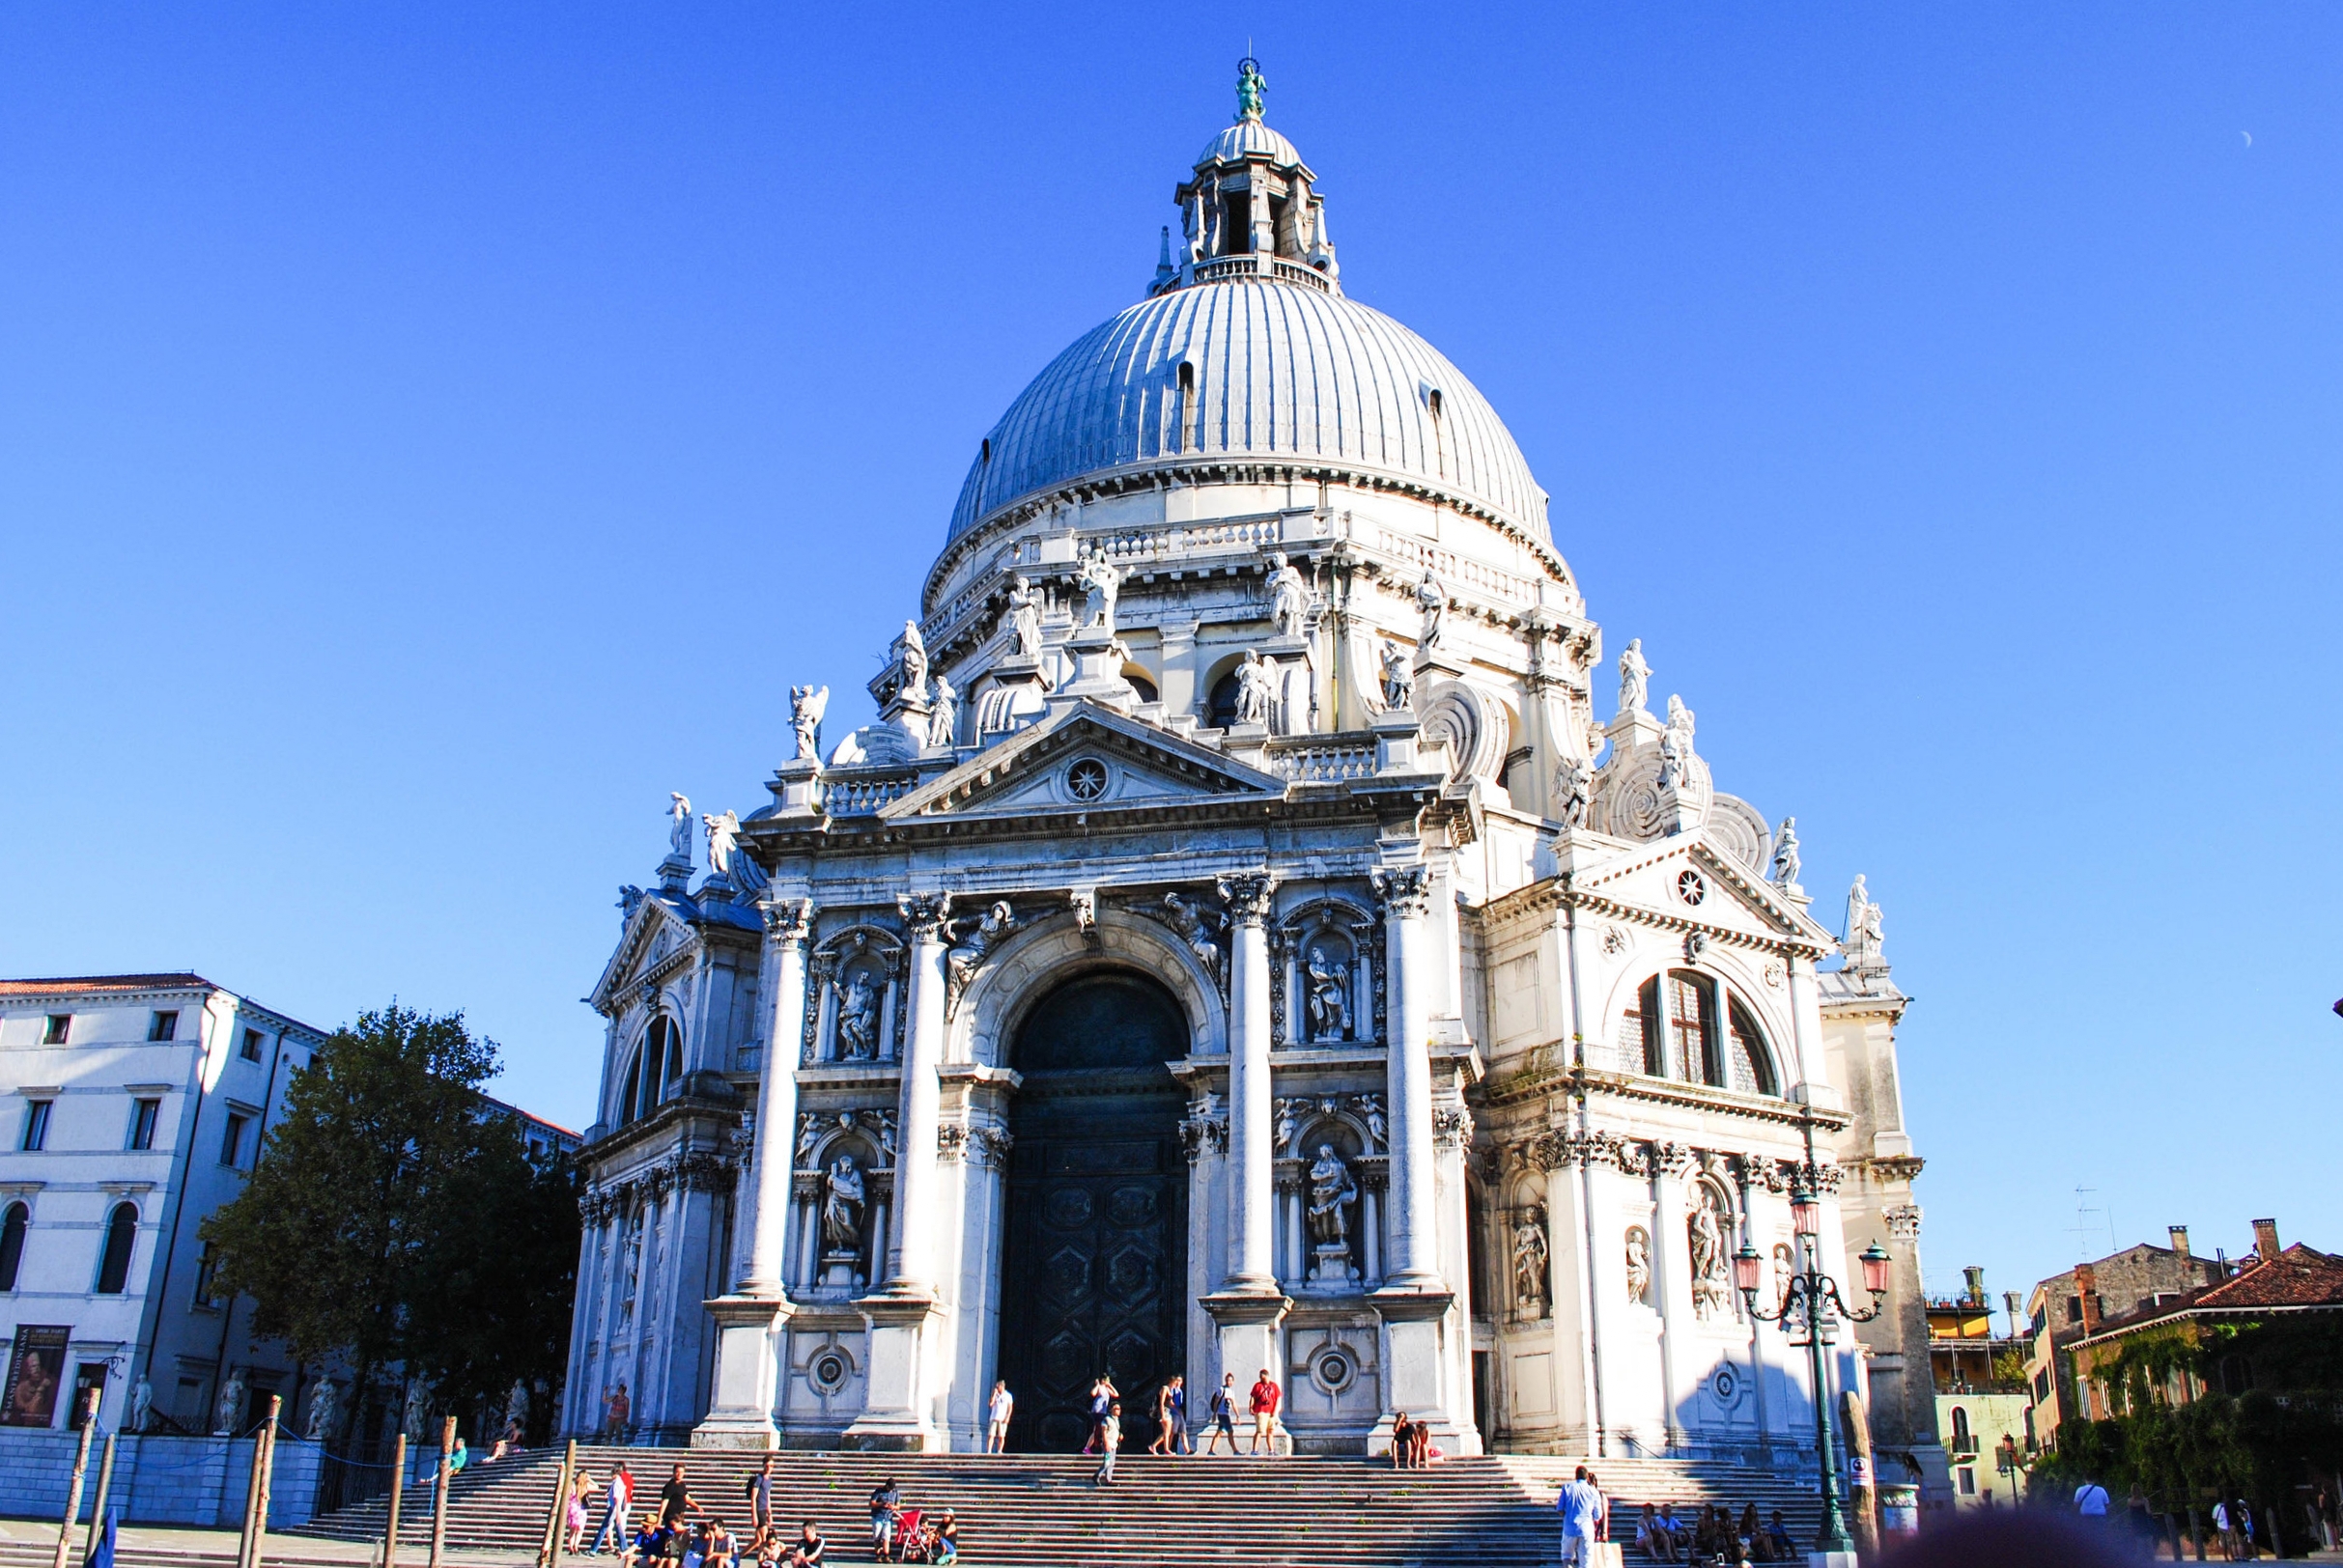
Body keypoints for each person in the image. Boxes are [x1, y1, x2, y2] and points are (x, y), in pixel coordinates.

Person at [1556, 1464, 1605, 1567]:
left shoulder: (1567, 1488)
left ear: (1576, 1475)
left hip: (1569, 1528)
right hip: (1586, 1529)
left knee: (1567, 1557)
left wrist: (1567, 1514)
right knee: (1586, 1562)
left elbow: (1560, 1509)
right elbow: (1598, 1515)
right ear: (1587, 1477)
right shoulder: (1594, 1491)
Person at [593, 1463, 635, 1554]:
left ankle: (596, 1549)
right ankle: (624, 1548)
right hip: (625, 1504)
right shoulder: (628, 1478)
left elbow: (617, 1496)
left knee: (607, 1527)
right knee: (618, 1527)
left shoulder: (619, 1480)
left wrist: (618, 1512)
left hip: (616, 1507)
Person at [1202, 1373, 1239, 1456]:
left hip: (1226, 1413)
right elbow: (1216, 1402)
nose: (1229, 1382)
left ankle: (1211, 1450)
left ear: (1233, 1381)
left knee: (1219, 1433)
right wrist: (1215, 1413)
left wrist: (1238, 1415)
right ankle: (1235, 1450)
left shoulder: (1232, 1392)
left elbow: (1234, 1404)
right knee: (1230, 1431)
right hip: (1222, 1414)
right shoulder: (1221, 1389)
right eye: (1227, 1380)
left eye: (1230, 1380)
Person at [1247, 1368, 1282, 1455]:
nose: (1263, 1380)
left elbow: (1278, 1398)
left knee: (1270, 1431)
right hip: (1261, 1410)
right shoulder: (1257, 1386)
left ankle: (1271, 1450)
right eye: (1261, 1378)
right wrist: (1251, 1407)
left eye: (1264, 1378)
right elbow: (1253, 1397)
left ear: (1268, 1376)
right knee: (1260, 1431)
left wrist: (1275, 1410)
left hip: (1271, 1412)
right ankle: (1254, 1450)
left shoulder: (1274, 1386)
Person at [868, 1479, 901, 1560]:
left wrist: (893, 1507)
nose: (890, 1490)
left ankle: (886, 1555)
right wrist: (882, 1504)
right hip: (878, 1516)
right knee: (877, 1537)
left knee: (886, 1537)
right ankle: (878, 1555)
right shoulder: (878, 1491)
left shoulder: (895, 1492)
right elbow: (872, 1503)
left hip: (888, 1517)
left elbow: (898, 1506)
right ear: (886, 1485)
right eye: (889, 1488)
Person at [1093, 1399, 1122, 1487]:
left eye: (1119, 1409)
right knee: (1107, 1462)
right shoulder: (1106, 1419)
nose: (1119, 1410)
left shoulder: (1116, 1420)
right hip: (1108, 1443)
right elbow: (1104, 1432)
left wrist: (1120, 1435)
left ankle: (1108, 1479)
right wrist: (1106, 1443)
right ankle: (1097, 1475)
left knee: (1112, 1462)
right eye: (1116, 1408)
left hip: (1114, 1444)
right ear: (1111, 1409)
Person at [743, 1456, 773, 1539]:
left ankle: (742, 1553)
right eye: (767, 1466)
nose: (769, 1468)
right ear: (763, 1465)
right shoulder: (759, 1478)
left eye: (771, 1466)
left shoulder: (769, 1479)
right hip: (759, 1509)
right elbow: (753, 1497)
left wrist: (769, 1513)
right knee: (764, 1539)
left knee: (758, 1541)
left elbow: (767, 1496)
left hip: (764, 1508)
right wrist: (754, 1515)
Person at [984, 1380, 1013, 1454]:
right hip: (994, 1417)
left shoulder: (1008, 1396)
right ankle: (989, 1450)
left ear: (1002, 1386)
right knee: (991, 1434)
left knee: (1001, 1435)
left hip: (1002, 1418)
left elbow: (1010, 1407)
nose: (997, 1387)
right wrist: (994, 1394)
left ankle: (999, 1450)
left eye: (998, 1386)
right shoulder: (995, 1394)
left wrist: (1008, 1417)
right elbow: (990, 1404)